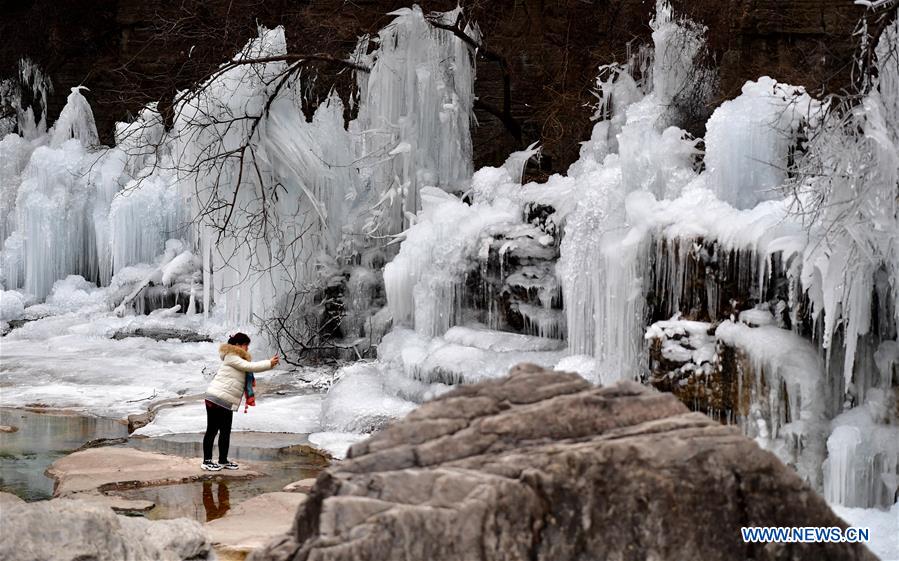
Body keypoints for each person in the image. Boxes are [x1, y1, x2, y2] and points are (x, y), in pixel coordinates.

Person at [201, 332, 279, 471]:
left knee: (225, 431)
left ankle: (223, 460)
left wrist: (270, 363)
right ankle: (206, 461)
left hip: (226, 400)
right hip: (216, 398)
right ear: (237, 345)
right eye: (245, 345)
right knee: (212, 430)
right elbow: (250, 367)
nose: (247, 348)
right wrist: (269, 363)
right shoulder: (231, 356)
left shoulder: (237, 358)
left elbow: (247, 366)